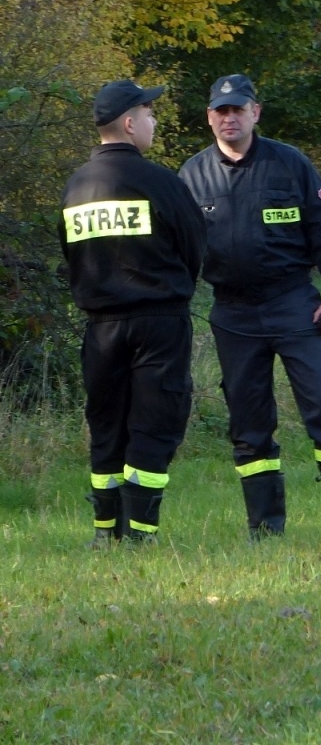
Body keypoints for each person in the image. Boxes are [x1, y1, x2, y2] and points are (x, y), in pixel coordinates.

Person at [179, 74, 321, 537]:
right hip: (233, 313)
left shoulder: (290, 165)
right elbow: (177, 251)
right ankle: (265, 529)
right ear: (210, 118)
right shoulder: (191, 175)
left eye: (238, 110)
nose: (230, 118)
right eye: (221, 112)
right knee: (249, 424)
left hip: (294, 305)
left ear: (255, 113)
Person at [60, 81, 206, 546]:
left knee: (106, 424)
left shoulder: (75, 187)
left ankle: (106, 534)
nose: (153, 121)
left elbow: (71, 255)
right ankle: (141, 534)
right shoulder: (162, 181)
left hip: (99, 327)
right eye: (149, 112)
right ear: (128, 123)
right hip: (159, 321)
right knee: (154, 421)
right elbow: (193, 247)